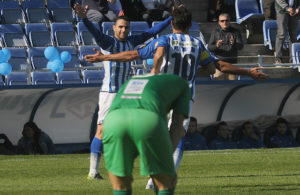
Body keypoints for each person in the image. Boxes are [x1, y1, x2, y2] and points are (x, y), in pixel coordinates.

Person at [83, 6, 268, 189]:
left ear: (172, 24)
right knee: (177, 138)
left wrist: (105, 58)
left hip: (161, 96)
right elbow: (220, 66)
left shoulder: (164, 40)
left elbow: (134, 54)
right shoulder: (197, 44)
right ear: (189, 25)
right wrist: (248, 72)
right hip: (183, 98)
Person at [74, 3, 172, 180]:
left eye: (126, 27)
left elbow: (152, 32)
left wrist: (174, 18)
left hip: (127, 93)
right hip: (110, 93)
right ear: (114, 28)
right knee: (102, 131)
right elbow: (94, 32)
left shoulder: (131, 42)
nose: (123, 30)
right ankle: (93, 171)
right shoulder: (108, 42)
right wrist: (83, 18)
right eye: (120, 27)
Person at [103, 73, 191, 195]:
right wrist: (166, 163)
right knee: (166, 184)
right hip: (148, 119)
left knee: (121, 186)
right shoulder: (183, 84)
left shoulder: (132, 79)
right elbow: (177, 126)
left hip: (113, 121)